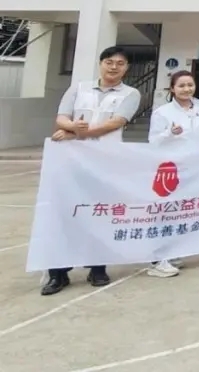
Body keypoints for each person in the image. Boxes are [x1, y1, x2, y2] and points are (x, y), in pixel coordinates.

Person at [42, 46, 141, 296]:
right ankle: (58, 273)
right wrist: (71, 127)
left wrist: (76, 133)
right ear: (101, 63)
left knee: (101, 213)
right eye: (109, 62)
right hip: (71, 160)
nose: (114, 67)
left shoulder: (131, 94)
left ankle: (97, 267)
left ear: (127, 68)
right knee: (64, 214)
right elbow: (62, 117)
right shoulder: (79, 88)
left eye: (120, 63)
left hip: (106, 162)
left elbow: (115, 123)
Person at [146, 70, 199, 278]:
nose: (186, 89)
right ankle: (157, 259)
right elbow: (153, 141)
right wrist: (169, 133)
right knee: (165, 211)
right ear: (172, 88)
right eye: (181, 85)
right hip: (170, 168)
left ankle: (173, 253)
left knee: (184, 210)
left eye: (190, 85)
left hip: (194, 167)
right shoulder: (162, 112)